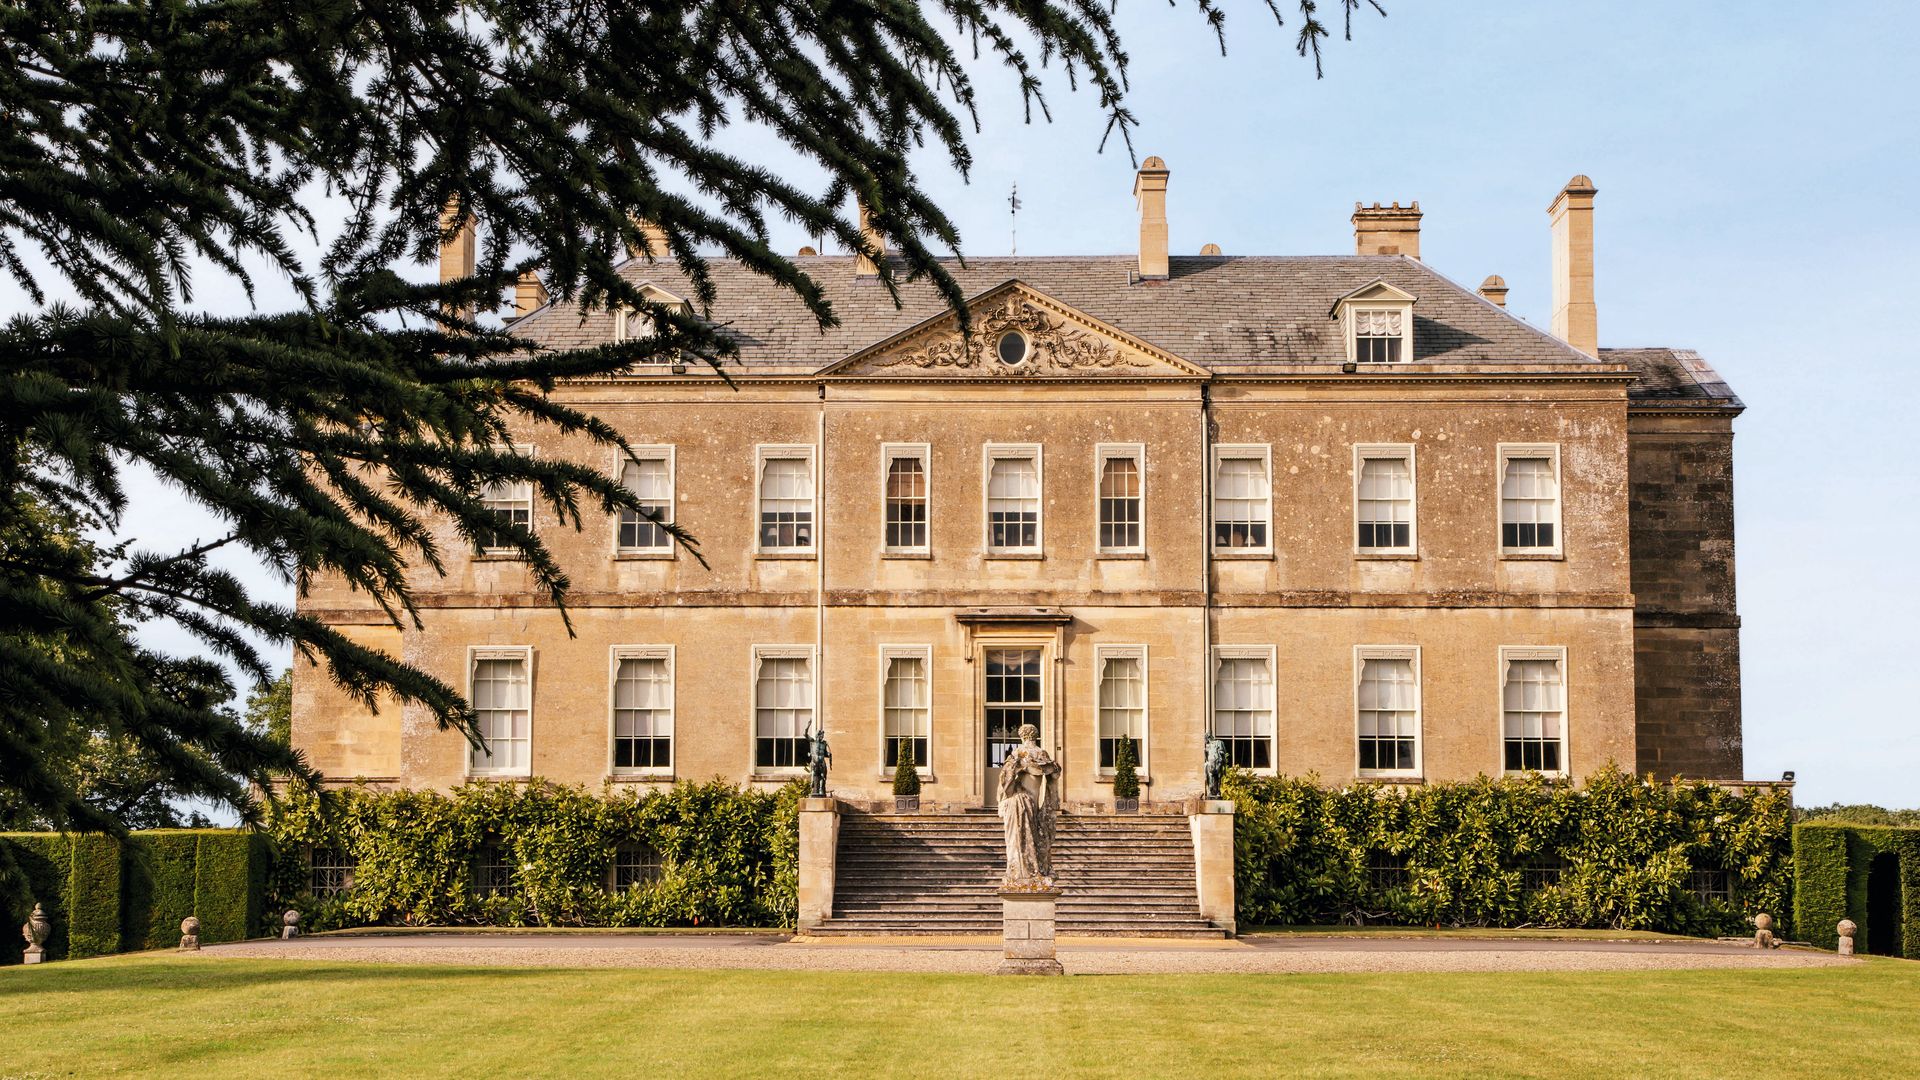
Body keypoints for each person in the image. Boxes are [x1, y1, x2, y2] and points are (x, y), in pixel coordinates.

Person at [997, 723, 1061, 887]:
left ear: (1022, 736)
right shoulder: (1043, 755)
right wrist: (1051, 804)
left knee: (1017, 841)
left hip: (1020, 802)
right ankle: (1031, 871)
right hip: (1033, 803)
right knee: (1035, 837)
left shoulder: (1019, 754)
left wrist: (1002, 799)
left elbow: (1006, 782)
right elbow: (1054, 776)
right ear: (1035, 736)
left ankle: (1020, 872)